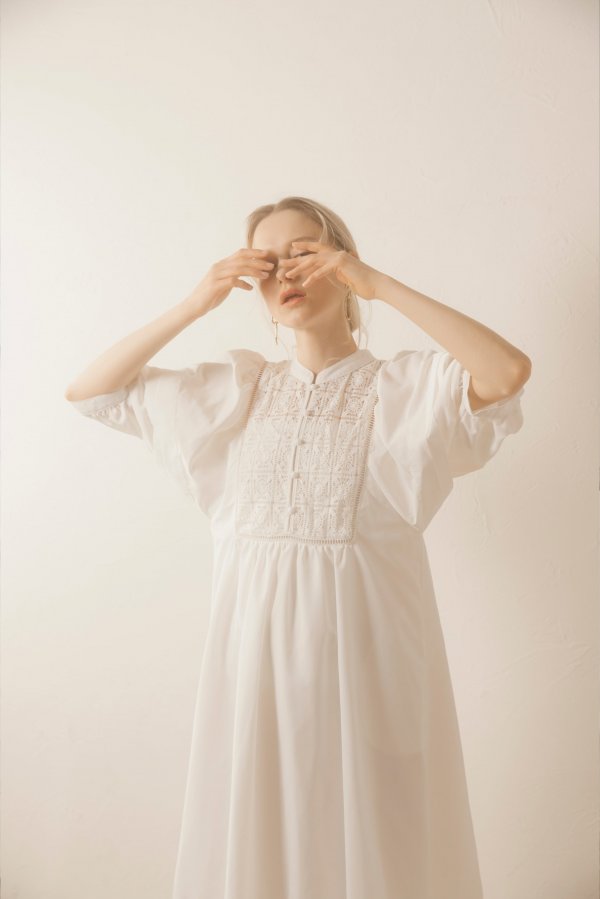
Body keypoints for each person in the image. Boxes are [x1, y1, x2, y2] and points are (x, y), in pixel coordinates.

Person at [65, 195, 531, 899]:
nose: (286, 271)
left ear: (342, 263)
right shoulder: (237, 392)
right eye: (267, 262)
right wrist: (195, 302)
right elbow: (89, 392)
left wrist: (379, 284)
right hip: (254, 674)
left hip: (369, 671)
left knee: (377, 840)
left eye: (306, 253)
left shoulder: (403, 390)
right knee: (262, 840)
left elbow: (506, 372)